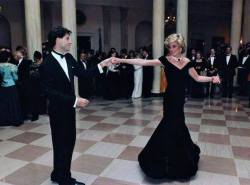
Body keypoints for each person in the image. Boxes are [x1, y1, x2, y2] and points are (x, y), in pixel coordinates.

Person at [112, 33, 220, 180]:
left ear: (181, 47)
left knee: (178, 125)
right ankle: (162, 159)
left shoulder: (188, 62)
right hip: (169, 99)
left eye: (174, 46)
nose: (171, 49)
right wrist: (120, 59)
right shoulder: (165, 60)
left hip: (180, 99)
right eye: (169, 46)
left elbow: (197, 77)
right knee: (169, 125)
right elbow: (143, 62)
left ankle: (180, 157)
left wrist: (212, 78)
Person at [39, 26, 111, 185]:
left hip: (69, 110)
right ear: (57, 40)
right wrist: (74, 100)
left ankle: (58, 174)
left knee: (68, 142)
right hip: (58, 110)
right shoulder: (47, 63)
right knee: (61, 143)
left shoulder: (70, 58)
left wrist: (102, 64)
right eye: (67, 38)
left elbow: (84, 75)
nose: (70, 41)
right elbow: (48, 92)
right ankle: (64, 178)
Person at [0, 50, 23, 126]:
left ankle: (4, 121)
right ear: (8, 58)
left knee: (3, 104)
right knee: (13, 104)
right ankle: (15, 120)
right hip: (11, 86)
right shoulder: (12, 66)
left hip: (2, 87)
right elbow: (16, 78)